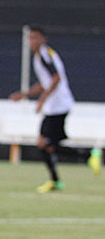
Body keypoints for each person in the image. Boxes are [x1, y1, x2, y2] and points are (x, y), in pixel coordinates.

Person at [9, 27, 79, 192]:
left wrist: (42, 100)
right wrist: (25, 94)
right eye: (30, 38)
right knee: (48, 145)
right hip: (55, 106)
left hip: (58, 105)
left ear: (43, 39)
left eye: (35, 38)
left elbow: (55, 79)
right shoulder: (40, 57)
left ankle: (91, 156)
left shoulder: (45, 55)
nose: (32, 41)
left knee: (44, 143)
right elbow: (45, 83)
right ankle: (57, 179)